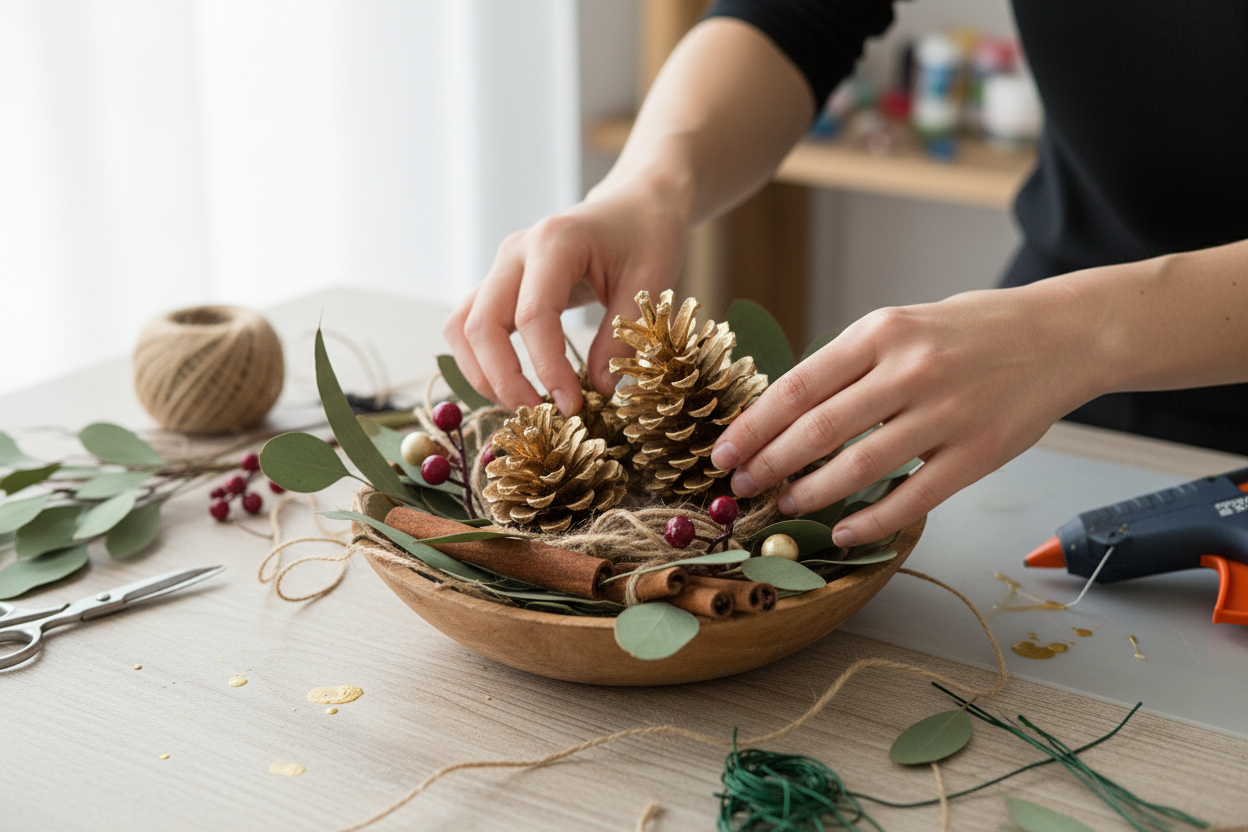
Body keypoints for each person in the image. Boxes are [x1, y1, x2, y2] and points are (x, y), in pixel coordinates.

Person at [443, 1, 1248, 550]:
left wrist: (1084, 331)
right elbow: (796, 13)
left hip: (1071, 352)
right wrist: (649, 185)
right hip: (1040, 396)